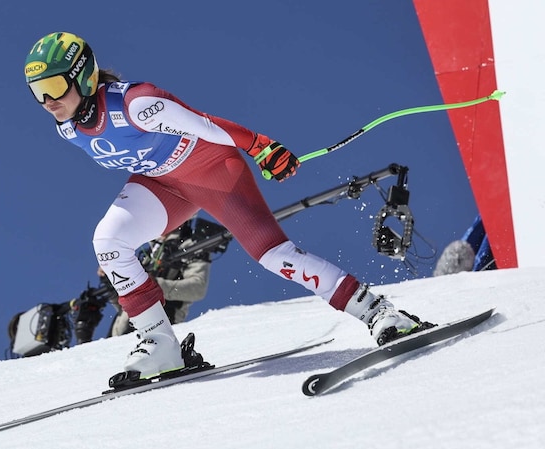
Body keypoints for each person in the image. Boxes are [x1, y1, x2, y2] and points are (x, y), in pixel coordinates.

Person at [24, 32, 434, 382]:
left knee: (274, 256)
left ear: (84, 74)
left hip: (214, 172)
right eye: (38, 93)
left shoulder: (136, 104)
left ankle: (382, 314)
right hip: (165, 184)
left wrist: (261, 146)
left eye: (55, 87)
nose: (47, 101)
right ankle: (161, 346)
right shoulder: (68, 128)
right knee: (109, 242)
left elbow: (202, 124)